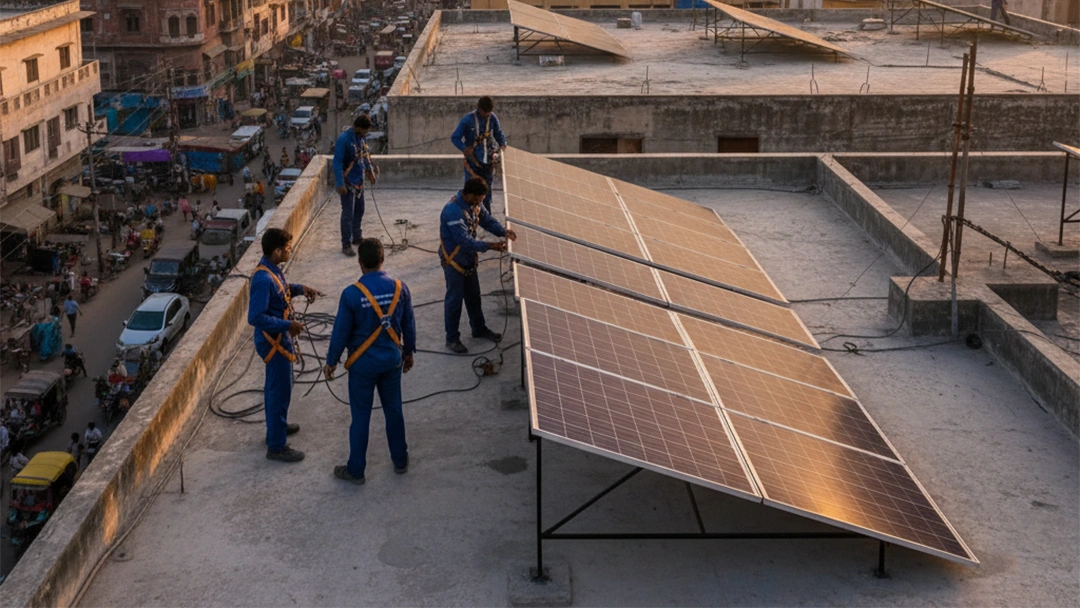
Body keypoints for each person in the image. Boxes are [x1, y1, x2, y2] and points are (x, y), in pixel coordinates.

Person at [323, 239, 415, 484]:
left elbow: (341, 332)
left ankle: (356, 470)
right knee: (394, 410)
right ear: (383, 259)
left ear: (360, 263)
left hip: (363, 366)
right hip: (391, 361)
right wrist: (409, 353)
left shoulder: (351, 294)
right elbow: (409, 324)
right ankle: (400, 459)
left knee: (361, 417)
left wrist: (331, 361)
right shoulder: (399, 287)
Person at [248, 228, 322, 462]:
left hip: (280, 337)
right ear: (277, 250)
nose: (290, 251)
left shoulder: (273, 271)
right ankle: (277, 446)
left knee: (278, 388)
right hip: (273, 341)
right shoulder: (262, 279)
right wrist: (286, 325)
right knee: (278, 391)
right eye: (287, 248)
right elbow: (255, 317)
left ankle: (275, 429)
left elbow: (283, 291)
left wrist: (301, 289)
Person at [439, 177, 516, 353]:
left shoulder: (474, 205)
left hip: (468, 260)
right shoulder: (452, 212)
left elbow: (487, 221)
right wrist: (490, 246)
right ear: (469, 194)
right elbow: (464, 241)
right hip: (455, 262)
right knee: (455, 301)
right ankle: (452, 339)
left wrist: (503, 232)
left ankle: (478, 328)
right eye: (477, 200)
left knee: (474, 296)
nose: (479, 204)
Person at [451, 96, 506, 214]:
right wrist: (464, 148)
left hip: (488, 163)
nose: (487, 114)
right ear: (479, 109)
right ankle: (468, 215)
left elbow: (498, 133)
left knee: (486, 192)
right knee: (471, 191)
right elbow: (455, 137)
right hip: (473, 164)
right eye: (485, 112)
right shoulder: (467, 120)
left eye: (489, 112)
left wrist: (502, 144)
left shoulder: (492, 118)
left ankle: (486, 216)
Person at [333, 114, 379, 256]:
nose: (365, 133)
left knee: (360, 210)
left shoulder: (361, 138)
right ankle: (346, 244)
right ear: (357, 127)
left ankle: (357, 236)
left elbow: (364, 156)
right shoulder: (344, 140)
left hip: (359, 180)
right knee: (348, 214)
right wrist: (340, 183)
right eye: (364, 130)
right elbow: (337, 162)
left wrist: (370, 171)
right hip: (348, 182)